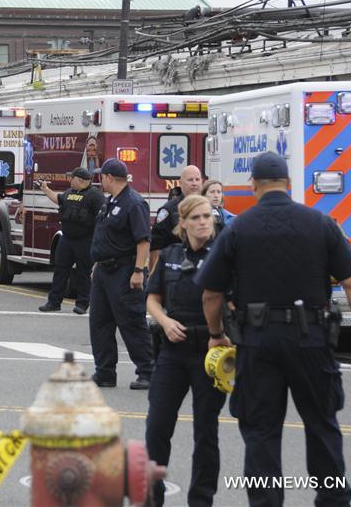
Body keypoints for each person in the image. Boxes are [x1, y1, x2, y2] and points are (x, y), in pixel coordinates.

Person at [196, 151, 351, 507]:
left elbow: (211, 293)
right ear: (289, 184)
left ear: (253, 186)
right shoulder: (320, 223)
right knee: (322, 426)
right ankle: (333, 500)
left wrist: (216, 334)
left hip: (258, 344)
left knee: (261, 432)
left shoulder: (237, 229)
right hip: (311, 339)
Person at [145, 194, 226, 507]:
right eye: (196, 217)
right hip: (172, 351)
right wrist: (164, 322)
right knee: (157, 428)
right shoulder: (169, 255)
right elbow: (152, 298)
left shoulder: (223, 255)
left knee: (206, 432)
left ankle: (201, 499)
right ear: (183, 223)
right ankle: (153, 497)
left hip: (210, 351)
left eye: (207, 216)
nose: (204, 222)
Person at [88, 158, 154, 389]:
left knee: (131, 322)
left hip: (125, 271)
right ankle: (105, 372)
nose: (100, 180)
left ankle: (147, 371)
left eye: (101, 176)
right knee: (99, 323)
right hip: (104, 271)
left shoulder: (133, 203)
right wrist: (98, 263)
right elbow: (107, 237)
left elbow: (143, 240)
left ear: (108, 177)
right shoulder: (110, 201)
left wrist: (138, 270)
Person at [37, 167, 105, 315]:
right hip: (66, 239)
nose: (69, 180)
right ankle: (54, 302)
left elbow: (102, 219)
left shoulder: (95, 196)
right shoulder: (69, 193)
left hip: (85, 240)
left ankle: (82, 303)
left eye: (72, 177)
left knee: (83, 272)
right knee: (60, 270)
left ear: (81, 180)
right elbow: (58, 199)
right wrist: (45, 189)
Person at [150, 165, 203, 268]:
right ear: (181, 183)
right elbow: (157, 247)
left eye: (197, 179)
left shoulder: (210, 208)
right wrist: (154, 277)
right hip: (177, 269)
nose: (194, 183)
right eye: (190, 180)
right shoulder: (169, 210)